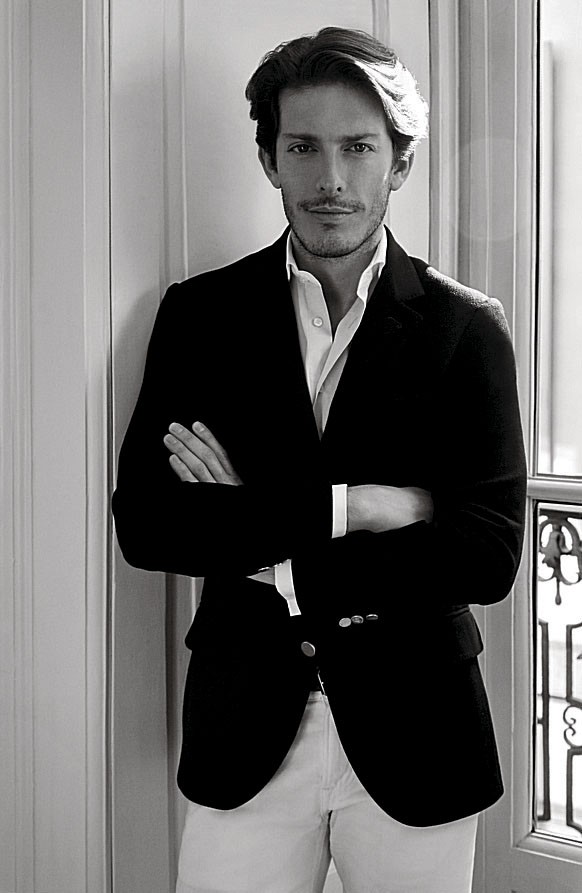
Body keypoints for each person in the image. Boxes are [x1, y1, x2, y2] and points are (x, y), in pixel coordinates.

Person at [112, 26, 527, 893]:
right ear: (270, 159)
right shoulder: (199, 316)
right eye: (302, 147)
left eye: (357, 148)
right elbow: (149, 525)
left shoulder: (467, 330)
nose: (330, 179)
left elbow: (485, 556)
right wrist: (360, 506)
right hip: (245, 724)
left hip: (421, 728)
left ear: (399, 164)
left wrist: (253, 521)